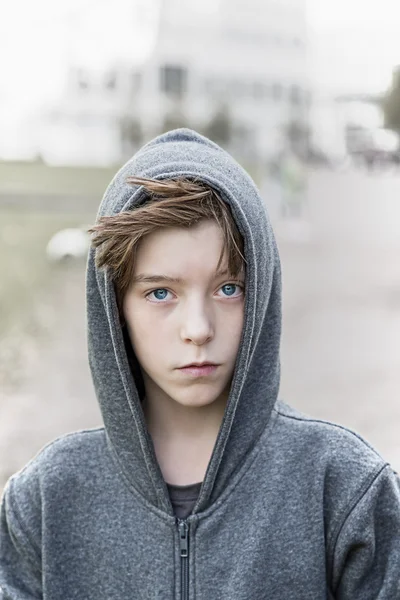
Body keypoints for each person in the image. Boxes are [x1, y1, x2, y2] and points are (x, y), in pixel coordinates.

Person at [1, 129, 399, 599]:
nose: (198, 328)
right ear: (116, 310)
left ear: (261, 292)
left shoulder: (345, 490)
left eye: (228, 288)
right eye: (160, 293)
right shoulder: (45, 501)